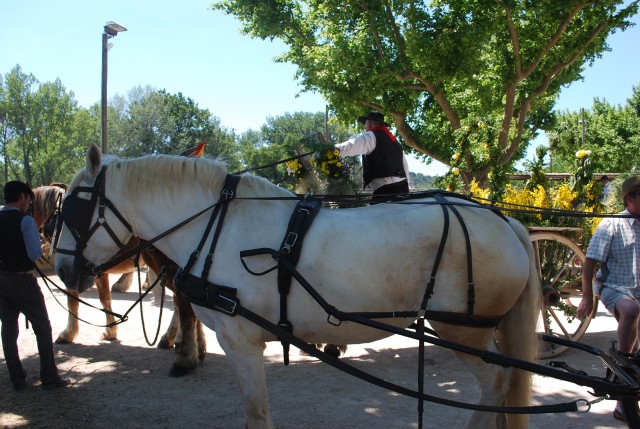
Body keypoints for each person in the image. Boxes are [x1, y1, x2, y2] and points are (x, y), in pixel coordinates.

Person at [577, 174, 640, 420]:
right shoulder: (611, 224)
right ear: (629, 198)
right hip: (615, 288)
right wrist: (586, 297)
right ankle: (625, 370)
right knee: (631, 310)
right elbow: (590, 262)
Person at [0, 181, 70, 391]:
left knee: (9, 329)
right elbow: (34, 255)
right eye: (28, 199)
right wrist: (39, 246)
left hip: (1, 278)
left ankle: (17, 378)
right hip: (22, 279)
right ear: (22, 197)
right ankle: (49, 376)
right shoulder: (26, 221)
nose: (29, 203)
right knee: (42, 326)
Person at [335, 111, 410, 203]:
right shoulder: (396, 142)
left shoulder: (371, 136)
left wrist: (332, 149)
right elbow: (405, 167)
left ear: (369, 123)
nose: (364, 126)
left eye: (365, 123)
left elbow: (351, 146)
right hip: (403, 188)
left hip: (385, 191)